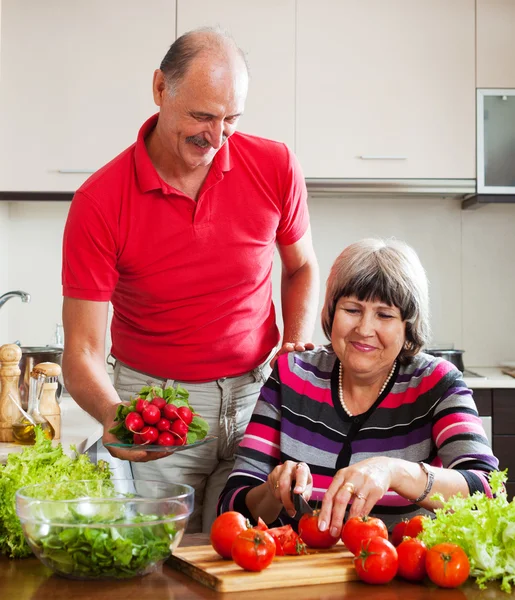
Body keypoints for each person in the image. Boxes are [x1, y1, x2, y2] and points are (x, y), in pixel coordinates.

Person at [61, 28, 319, 533]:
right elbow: (82, 353)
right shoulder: (99, 202)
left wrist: (294, 342)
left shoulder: (275, 165)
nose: (216, 136)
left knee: (242, 562)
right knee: (154, 568)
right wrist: (116, 416)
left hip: (255, 404)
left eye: (231, 120)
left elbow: (302, 266)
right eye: (202, 116)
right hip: (153, 409)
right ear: (161, 88)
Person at [218, 238, 499, 536]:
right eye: (352, 309)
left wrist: (395, 472)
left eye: (385, 315)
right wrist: (272, 489)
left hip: (402, 573)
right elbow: (232, 506)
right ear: (331, 313)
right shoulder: (291, 375)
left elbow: (488, 493)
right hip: (295, 570)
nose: (364, 330)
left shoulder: (437, 383)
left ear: (408, 327)